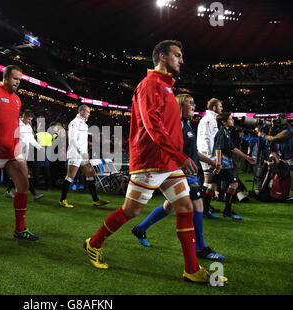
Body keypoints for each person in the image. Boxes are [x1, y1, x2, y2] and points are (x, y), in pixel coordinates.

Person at [83, 40, 226, 284]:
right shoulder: (149, 84)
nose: (182, 60)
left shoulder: (167, 87)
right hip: (150, 162)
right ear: (162, 57)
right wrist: (180, 156)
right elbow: (152, 126)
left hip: (169, 163)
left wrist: (177, 157)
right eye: (177, 55)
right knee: (132, 211)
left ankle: (191, 268)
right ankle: (93, 243)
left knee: (185, 208)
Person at [132, 94, 225, 260]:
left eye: (194, 102)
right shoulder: (176, 127)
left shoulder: (187, 126)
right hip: (181, 173)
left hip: (187, 172)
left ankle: (140, 229)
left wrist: (212, 162)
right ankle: (200, 247)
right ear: (180, 106)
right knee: (198, 204)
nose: (194, 106)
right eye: (190, 103)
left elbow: (192, 153)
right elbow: (172, 151)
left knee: (170, 207)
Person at [0, 65, 40, 242]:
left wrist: (17, 148)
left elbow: (14, 127)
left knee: (24, 184)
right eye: (14, 79)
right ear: (5, 77)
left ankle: (20, 229)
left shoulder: (17, 100)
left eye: (19, 80)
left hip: (12, 152)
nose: (17, 82)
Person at [203, 112, 256, 220]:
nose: (232, 120)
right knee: (234, 184)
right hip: (223, 164)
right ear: (224, 122)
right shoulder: (222, 133)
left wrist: (246, 157)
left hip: (220, 164)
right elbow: (218, 149)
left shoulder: (225, 132)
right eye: (230, 119)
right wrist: (218, 165)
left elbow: (232, 148)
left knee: (212, 186)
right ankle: (227, 211)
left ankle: (205, 211)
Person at [58, 105, 109, 208]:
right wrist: (82, 151)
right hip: (76, 154)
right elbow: (72, 139)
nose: (89, 114)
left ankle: (95, 200)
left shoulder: (84, 125)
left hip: (82, 155)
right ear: (81, 112)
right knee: (70, 177)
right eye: (88, 112)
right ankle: (62, 200)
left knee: (90, 175)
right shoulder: (74, 123)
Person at [5, 109, 45, 200]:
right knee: (25, 173)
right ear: (24, 117)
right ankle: (34, 194)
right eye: (29, 119)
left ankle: (8, 191)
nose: (30, 121)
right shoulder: (17, 124)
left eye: (31, 120)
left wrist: (39, 147)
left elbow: (31, 140)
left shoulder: (28, 127)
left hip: (25, 153)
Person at [196, 98, 223, 214]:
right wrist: (210, 156)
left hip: (206, 153)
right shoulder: (209, 119)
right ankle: (202, 206)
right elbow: (206, 138)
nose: (222, 108)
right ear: (214, 107)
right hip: (206, 154)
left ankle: (204, 205)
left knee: (208, 180)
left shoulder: (210, 119)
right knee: (208, 180)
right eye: (220, 106)